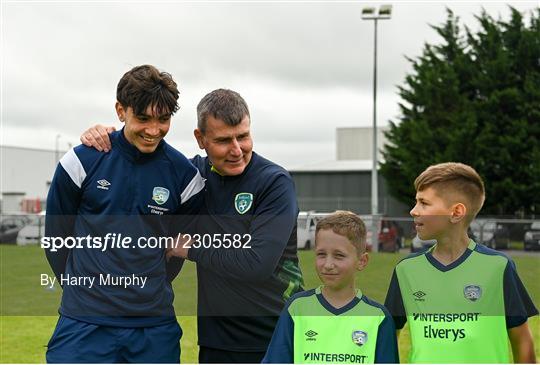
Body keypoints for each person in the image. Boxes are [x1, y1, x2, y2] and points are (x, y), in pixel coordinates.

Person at [80, 88, 304, 363]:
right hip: (217, 340)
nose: (236, 150)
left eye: (243, 137)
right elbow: (139, 166)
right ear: (201, 139)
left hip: (278, 337)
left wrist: (191, 249)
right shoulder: (190, 177)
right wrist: (110, 136)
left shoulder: (274, 182)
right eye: (223, 140)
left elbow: (257, 263)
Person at [45, 65, 205, 363]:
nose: (153, 130)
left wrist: (148, 287)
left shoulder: (185, 177)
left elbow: (174, 255)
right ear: (121, 111)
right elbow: (56, 239)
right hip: (83, 325)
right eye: (142, 118)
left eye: (164, 119)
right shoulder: (81, 161)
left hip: (153, 329)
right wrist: (83, 291)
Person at [384, 162, 538, 363]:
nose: (414, 211)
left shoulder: (498, 267)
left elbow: (522, 342)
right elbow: (387, 338)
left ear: (456, 213)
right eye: (416, 202)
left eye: (424, 203)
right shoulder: (406, 270)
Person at [262, 211, 399, 364]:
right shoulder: (297, 308)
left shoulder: (378, 317)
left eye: (339, 255)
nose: (328, 265)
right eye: (321, 254)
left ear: (362, 261)